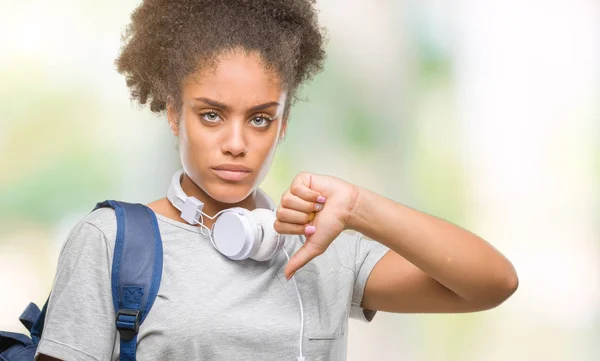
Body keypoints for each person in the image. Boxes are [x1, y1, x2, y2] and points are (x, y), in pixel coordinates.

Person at [35, 0, 518, 360]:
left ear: (283, 124)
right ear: (174, 115)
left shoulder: (322, 245)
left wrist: (357, 207)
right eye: (211, 115)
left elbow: (492, 283)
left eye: (261, 119)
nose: (237, 143)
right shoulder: (111, 241)